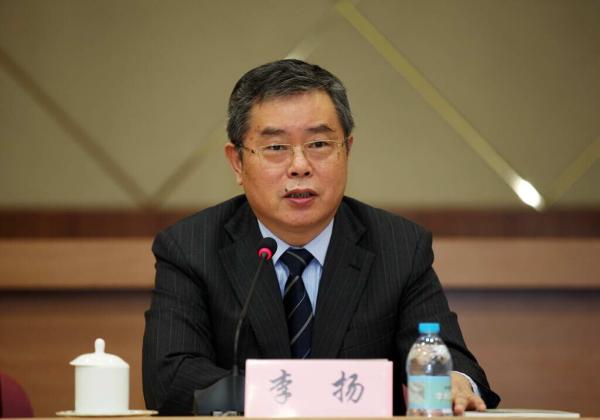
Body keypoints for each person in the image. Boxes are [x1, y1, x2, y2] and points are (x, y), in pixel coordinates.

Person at [142, 59, 500, 415]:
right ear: (237, 162)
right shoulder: (190, 248)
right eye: (276, 147)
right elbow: (170, 378)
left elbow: (448, 358)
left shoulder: (400, 246)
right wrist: (295, 397)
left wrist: (456, 381)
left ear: (347, 150)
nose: (300, 166)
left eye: (318, 144)